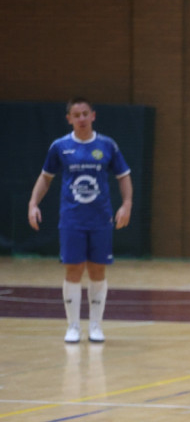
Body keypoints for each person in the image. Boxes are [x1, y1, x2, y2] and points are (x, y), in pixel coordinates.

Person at [27, 96, 133, 344]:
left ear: (93, 115)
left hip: (100, 219)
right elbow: (45, 177)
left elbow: (123, 176)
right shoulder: (60, 146)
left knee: (97, 269)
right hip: (72, 219)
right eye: (76, 115)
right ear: (69, 119)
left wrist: (127, 203)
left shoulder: (107, 145)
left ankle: (95, 325)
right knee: (73, 269)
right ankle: (73, 326)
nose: (82, 118)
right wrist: (33, 203)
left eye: (85, 114)